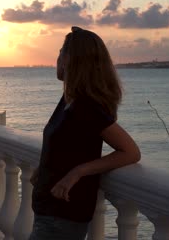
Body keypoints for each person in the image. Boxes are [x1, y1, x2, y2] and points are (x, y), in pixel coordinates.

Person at [29, 26, 141, 240]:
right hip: (48, 213)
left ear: (71, 60)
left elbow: (130, 152)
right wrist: (44, 171)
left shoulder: (86, 108)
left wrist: (78, 172)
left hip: (62, 217)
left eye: (60, 52)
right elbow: (70, 145)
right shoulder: (69, 101)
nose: (57, 59)